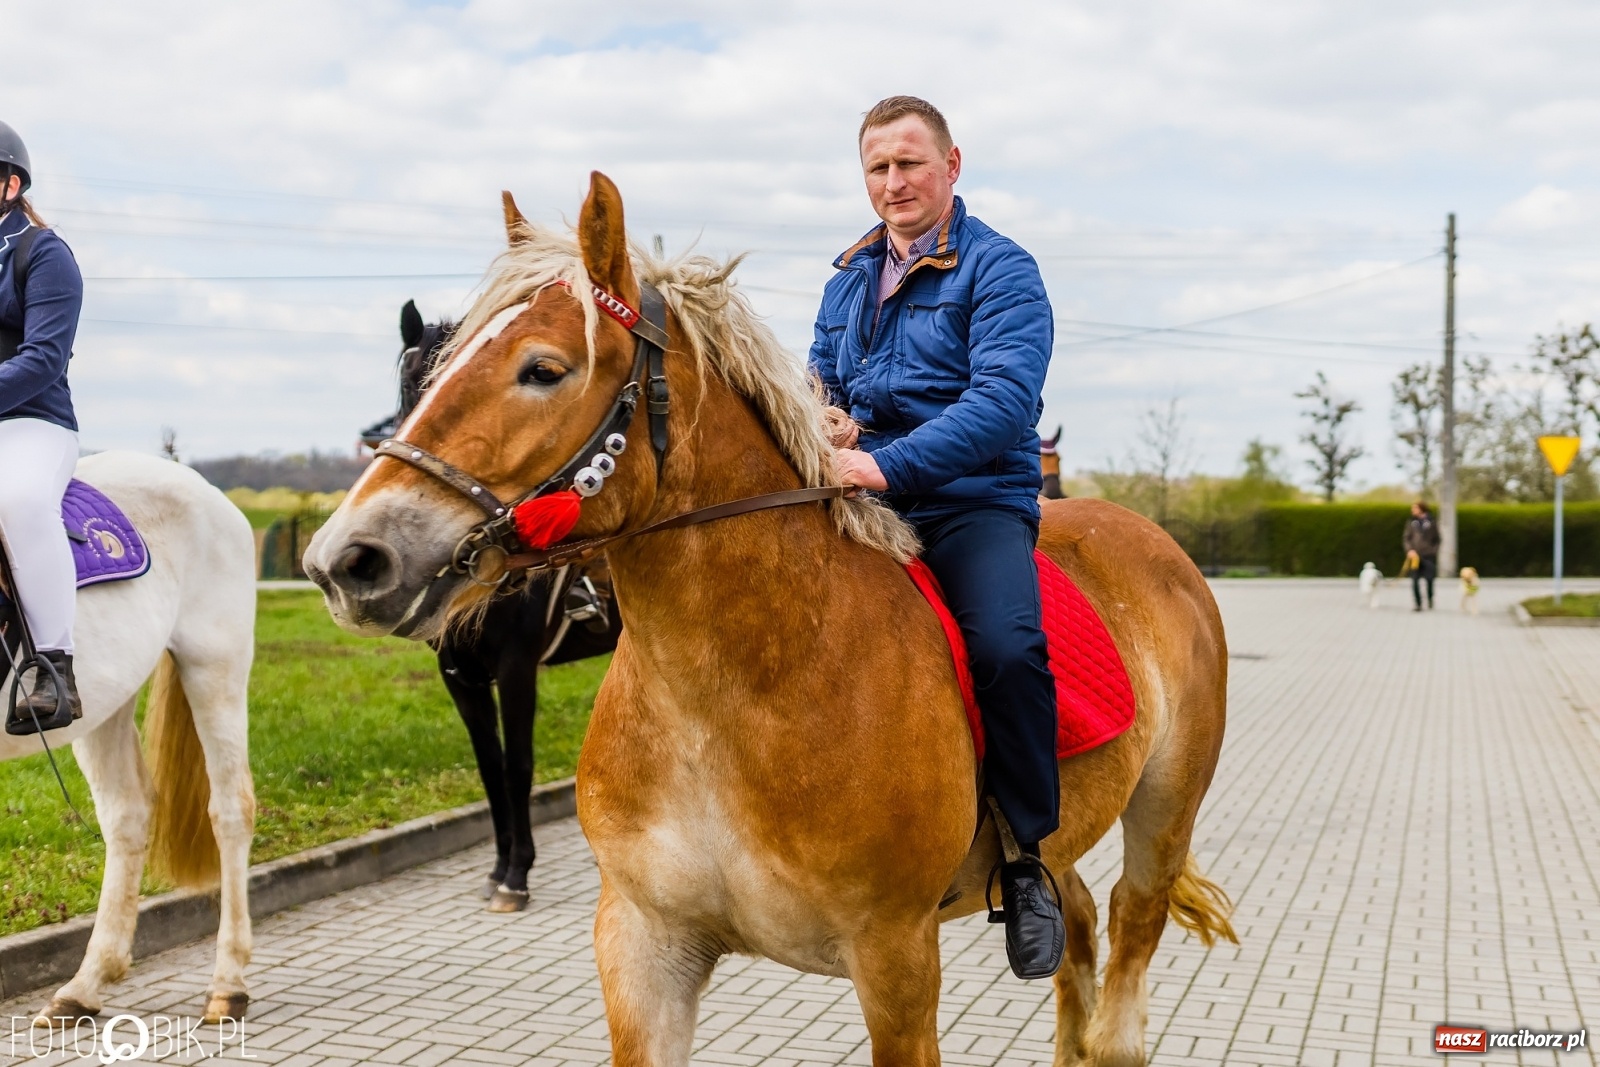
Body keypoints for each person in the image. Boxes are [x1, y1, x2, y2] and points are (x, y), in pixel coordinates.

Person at [808, 96, 1063, 979]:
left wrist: (884, 465)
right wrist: (827, 421)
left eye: (910, 163)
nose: (893, 182)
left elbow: (1001, 406)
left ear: (952, 167)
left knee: (1005, 646)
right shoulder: (846, 278)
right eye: (878, 167)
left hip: (969, 499)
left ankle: (1028, 858)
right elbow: (822, 380)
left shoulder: (1002, 270)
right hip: (862, 487)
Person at [0, 120, 84, 733]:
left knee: (21, 502)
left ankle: (54, 666)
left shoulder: (44, 253)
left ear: (8, 185)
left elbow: (43, 358)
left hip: (32, 420)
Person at [1403, 501, 1440, 612]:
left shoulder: (1432, 522)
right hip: (1414, 556)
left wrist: (1433, 551)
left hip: (1428, 556)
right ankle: (1418, 603)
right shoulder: (1411, 522)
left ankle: (1429, 598)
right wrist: (1409, 550)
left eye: (1415, 508)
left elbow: (1437, 539)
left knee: (1429, 579)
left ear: (1421, 509)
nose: (1412, 510)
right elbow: (1406, 538)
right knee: (1414, 580)